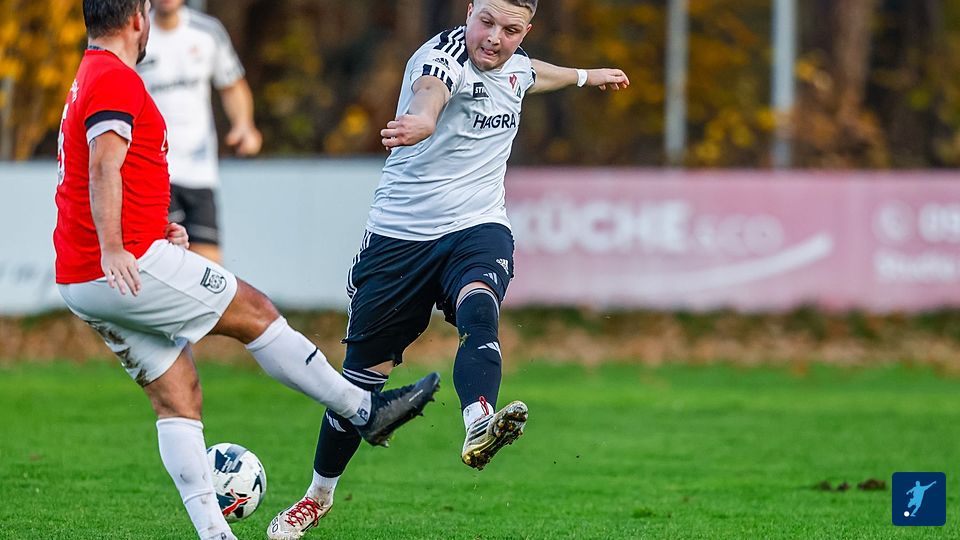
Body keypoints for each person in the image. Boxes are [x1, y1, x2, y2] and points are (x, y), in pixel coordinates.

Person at [56, 3, 440, 539]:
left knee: (178, 395)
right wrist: (116, 247)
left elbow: (98, 172)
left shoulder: (90, 74)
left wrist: (153, 227)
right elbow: (102, 166)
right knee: (255, 312)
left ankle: (217, 535)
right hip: (124, 266)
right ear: (138, 19)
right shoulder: (114, 78)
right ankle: (363, 411)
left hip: (85, 277)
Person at [267, 0, 629, 538]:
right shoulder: (442, 57)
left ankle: (478, 420)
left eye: (511, 29)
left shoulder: (516, 63)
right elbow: (430, 91)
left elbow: (533, 73)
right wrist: (423, 119)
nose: (494, 38)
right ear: (469, 11)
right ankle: (317, 497)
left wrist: (586, 76)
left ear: (526, 30)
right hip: (400, 239)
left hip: (477, 227)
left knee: (479, 306)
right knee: (361, 384)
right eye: (486, 22)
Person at [136, 0, 262, 264]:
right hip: (155, 174)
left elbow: (232, 86)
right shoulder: (137, 33)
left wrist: (244, 125)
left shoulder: (208, 31)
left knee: (210, 270)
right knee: (167, 266)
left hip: (200, 173)